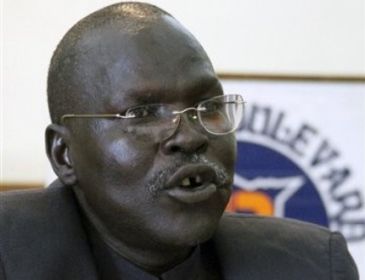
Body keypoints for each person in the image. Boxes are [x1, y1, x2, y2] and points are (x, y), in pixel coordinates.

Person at [0, 2, 358, 279]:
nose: (190, 136)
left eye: (209, 106)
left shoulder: (312, 267)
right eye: (142, 114)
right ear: (64, 156)